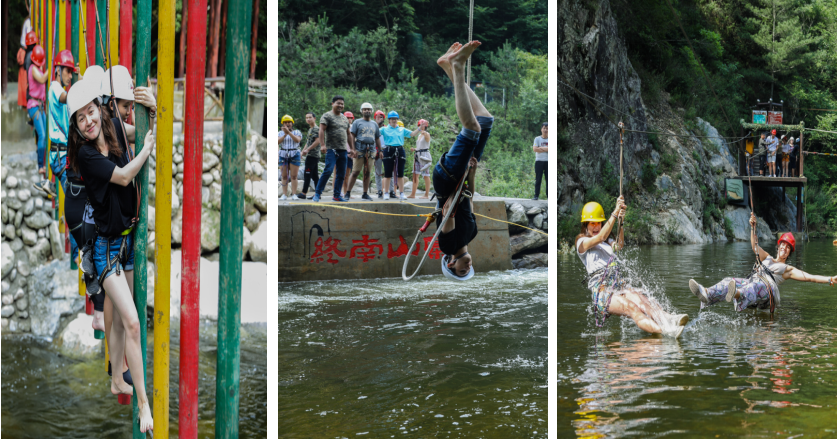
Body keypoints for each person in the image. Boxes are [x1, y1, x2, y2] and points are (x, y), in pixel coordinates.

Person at [66, 78, 155, 432]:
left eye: (91, 112)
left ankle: (118, 377)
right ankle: (144, 406)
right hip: (106, 250)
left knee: (121, 319)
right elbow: (123, 176)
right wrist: (146, 149)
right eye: (80, 119)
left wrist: (155, 105)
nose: (88, 121)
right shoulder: (86, 155)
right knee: (133, 322)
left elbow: (150, 129)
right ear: (75, 126)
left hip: (127, 239)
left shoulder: (115, 126)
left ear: (100, 109)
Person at [431, 41, 496, 281]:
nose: (466, 267)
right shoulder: (472, 234)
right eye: (468, 271)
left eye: (461, 270)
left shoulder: (447, 246)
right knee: (485, 121)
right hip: (461, 179)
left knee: (472, 129)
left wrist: (462, 179)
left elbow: (448, 209)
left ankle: (457, 65)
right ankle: (448, 66)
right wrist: (472, 174)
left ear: (450, 263)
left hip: (447, 180)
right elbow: (469, 199)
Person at [576, 198, 689, 337]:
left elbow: (619, 245)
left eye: (598, 223)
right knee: (632, 308)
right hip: (602, 293)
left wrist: (621, 223)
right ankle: (665, 331)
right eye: (592, 224)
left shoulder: (607, 241)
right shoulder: (581, 242)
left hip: (617, 286)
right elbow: (600, 237)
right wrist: (615, 212)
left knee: (644, 302)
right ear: (586, 225)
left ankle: (669, 319)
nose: (596, 226)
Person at [690, 213, 836, 312]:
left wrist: (830, 279)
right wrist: (753, 227)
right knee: (730, 280)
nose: (784, 249)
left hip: (767, 291)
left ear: (789, 253)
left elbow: (809, 277)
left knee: (756, 285)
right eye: (783, 246)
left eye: (788, 248)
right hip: (754, 285)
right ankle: (708, 294)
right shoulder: (766, 257)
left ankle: (738, 295)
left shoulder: (787, 269)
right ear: (778, 247)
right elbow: (754, 245)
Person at [312, 96, 354, 202]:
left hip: (343, 150)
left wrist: (352, 148)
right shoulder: (327, 115)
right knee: (328, 170)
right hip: (331, 149)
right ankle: (317, 194)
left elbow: (349, 134)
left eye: (342, 104)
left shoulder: (345, 118)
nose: (340, 105)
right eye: (338, 103)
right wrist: (322, 144)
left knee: (341, 173)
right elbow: (321, 130)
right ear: (332, 104)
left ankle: (336, 195)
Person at [381, 111, 421, 200]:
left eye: (395, 119)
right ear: (389, 120)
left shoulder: (401, 129)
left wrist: (419, 128)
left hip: (399, 150)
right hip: (388, 150)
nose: (394, 120)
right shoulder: (384, 129)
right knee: (387, 173)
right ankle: (386, 193)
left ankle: (402, 193)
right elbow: (375, 133)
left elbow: (412, 134)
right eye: (392, 119)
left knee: (400, 173)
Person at [346, 103, 381, 201]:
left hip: (371, 150)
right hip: (359, 149)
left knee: (368, 172)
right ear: (361, 111)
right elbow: (352, 135)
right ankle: (348, 192)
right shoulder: (357, 122)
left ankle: (365, 193)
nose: (367, 111)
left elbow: (377, 137)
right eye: (365, 109)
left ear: (371, 111)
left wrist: (380, 150)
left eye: (369, 109)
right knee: (355, 172)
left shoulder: (374, 124)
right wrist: (353, 149)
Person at [27, 44, 49, 179]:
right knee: (42, 135)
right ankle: (41, 165)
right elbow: (42, 79)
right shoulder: (32, 69)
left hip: (40, 105)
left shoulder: (38, 68)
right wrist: (51, 67)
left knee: (45, 136)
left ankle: (43, 162)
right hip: (34, 105)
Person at [279, 114, 302, 201]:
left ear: (292, 123)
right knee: (284, 176)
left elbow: (297, 140)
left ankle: (294, 194)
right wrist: (285, 135)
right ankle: (284, 194)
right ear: (283, 124)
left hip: (294, 153)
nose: (287, 124)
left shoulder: (297, 132)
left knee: (294, 176)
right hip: (283, 154)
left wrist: (288, 132)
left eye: (289, 122)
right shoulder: (279, 133)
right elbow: (277, 141)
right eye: (285, 122)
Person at [298, 112, 321, 199]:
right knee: (315, 176)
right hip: (310, 155)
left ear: (314, 118)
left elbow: (317, 141)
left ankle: (303, 193)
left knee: (307, 174)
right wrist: (302, 151)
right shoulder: (310, 129)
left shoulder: (316, 129)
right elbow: (308, 142)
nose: (308, 119)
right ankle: (318, 194)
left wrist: (307, 150)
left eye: (310, 117)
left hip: (313, 155)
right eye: (307, 117)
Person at [408, 119, 432, 199]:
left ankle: (426, 194)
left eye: (423, 125)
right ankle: (413, 194)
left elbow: (427, 141)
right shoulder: (419, 135)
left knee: (426, 175)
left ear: (425, 126)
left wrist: (424, 133)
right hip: (418, 154)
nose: (421, 126)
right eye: (420, 125)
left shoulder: (426, 134)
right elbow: (420, 147)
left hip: (425, 155)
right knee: (415, 174)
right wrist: (414, 149)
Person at [341, 111, 356, 197]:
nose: (349, 119)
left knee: (347, 174)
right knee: (342, 174)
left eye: (350, 118)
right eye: (347, 118)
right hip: (344, 152)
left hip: (351, 153)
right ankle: (342, 192)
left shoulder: (354, 128)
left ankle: (347, 192)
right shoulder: (342, 127)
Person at [532, 122, 548, 200]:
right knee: (538, 179)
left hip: (548, 162)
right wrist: (547, 149)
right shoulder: (537, 139)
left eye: (547, 128)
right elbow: (535, 149)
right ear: (541, 129)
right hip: (539, 161)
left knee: (549, 180)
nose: (545, 130)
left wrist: (540, 148)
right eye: (544, 128)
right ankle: (536, 196)